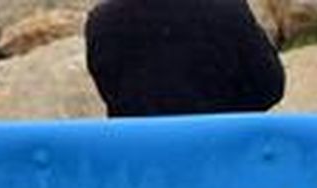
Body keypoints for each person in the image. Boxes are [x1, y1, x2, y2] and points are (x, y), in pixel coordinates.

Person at [85, 0, 285, 117]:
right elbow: (270, 88)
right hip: (218, 159)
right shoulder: (227, 10)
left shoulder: (102, 22)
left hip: (139, 166)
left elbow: (112, 91)